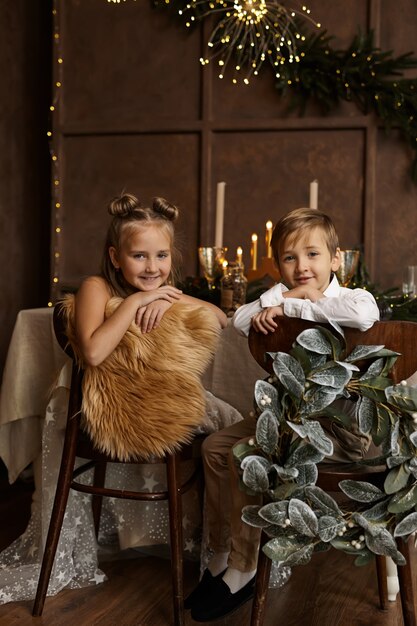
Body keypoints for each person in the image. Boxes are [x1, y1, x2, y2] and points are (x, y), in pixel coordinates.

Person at [187, 207, 380, 622]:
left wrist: (304, 304)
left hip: (338, 429)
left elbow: (365, 317)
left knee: (243, 452)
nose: (302, 266)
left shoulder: (352, 299)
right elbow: (239, 319)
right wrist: (284, 296)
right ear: (279, 265)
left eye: (313, 255)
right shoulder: (281, 296)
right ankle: (220, 551)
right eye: (290, 258)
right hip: (289, 416)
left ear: (336, 259)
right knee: (215, 447)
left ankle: (245, 564)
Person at [75, 192, 227, 365]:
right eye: (139, 256)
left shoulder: (161, 293)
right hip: (106, 389)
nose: (152, 268)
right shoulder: (95, 287)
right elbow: (93, 354)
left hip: (152, 386)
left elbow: (221, 319)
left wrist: (170, 300)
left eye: (162, 255)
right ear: (116, 258)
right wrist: (135, 301)